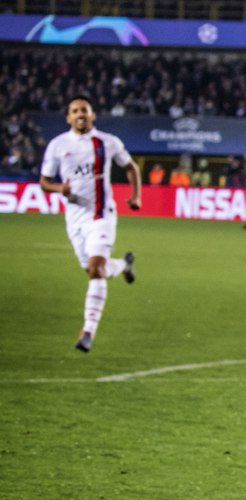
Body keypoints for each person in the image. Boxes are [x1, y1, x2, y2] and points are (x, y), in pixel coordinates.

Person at [38, 96, 141, 353]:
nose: (80, 114)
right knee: (95, 270)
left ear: (93, 115)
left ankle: (88, 331)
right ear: (68, 118)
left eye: (84, 110)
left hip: (101, 215)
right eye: (75, 111)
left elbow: (131, 167)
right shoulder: (57, 145)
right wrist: (59, 188)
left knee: (95, 269)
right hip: (75, 219)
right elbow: (44, 182)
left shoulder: (108, 142)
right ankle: (123, 265)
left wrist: (136, 195)